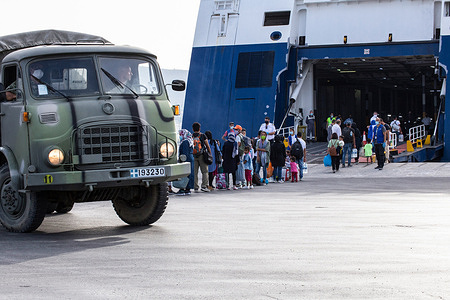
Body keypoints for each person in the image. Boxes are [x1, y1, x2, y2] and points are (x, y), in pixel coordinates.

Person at [192, 122, 212, 192]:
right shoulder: (203, 135)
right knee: (205, 172)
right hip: (202, 155)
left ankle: (195, 187)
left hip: (194, 156)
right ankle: (204, 186)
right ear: (199, 128)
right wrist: (210, 153)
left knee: (195, 172)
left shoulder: (191, 136)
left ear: (193, 129)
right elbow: (207, 145)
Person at [176, 129, 194, 195]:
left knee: (184, 175)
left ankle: (182, 189)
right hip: (190, 159)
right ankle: (188, 189)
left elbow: (184, 153)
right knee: (189, 174)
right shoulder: (190, 141)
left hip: (185, 160)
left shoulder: (185, 142)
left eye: (181, 134)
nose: (180, 136)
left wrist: (181, 161)